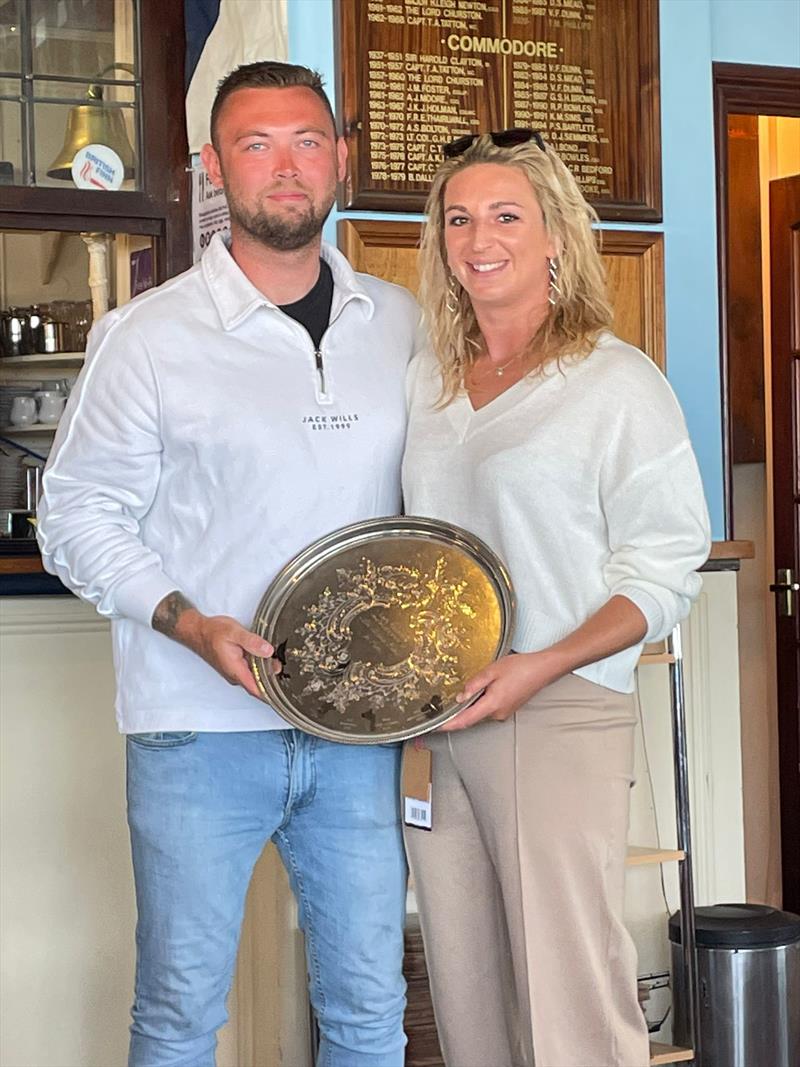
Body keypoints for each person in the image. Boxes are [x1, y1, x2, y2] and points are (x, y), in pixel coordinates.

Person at [37, 61, 421, 1067]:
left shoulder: (408, 325)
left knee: (369, 1010)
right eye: (255, 144)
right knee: (177, 1014)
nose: (284, 167)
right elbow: (74, 514)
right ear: (214, 166)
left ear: (339, 158)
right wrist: (186, 619)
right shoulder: (146, 338)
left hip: (359, 729)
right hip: (197, 726)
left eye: (305, 141)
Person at [401, 129, 711, 1067]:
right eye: (459, 218)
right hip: (436, 716)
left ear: (555, 241)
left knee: (568, 988)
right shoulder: (429, 382)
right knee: (463, 981)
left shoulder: (615, 382)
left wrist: (540, 664)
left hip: (556, 707)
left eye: (505, 215)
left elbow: (665, 566)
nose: (478, 237)